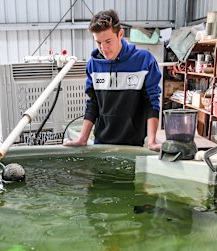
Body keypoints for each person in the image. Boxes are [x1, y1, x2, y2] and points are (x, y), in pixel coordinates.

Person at [64, 9, 162, 151]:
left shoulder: (144, 61)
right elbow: (93, 103)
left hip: (134, 144)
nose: (103, 48)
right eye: (98, 43)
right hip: (101, 143)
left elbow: (151, 102)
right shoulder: (93, 65)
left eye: (108, 41)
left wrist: (152, 141)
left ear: (120, 34)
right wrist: (82, 138)